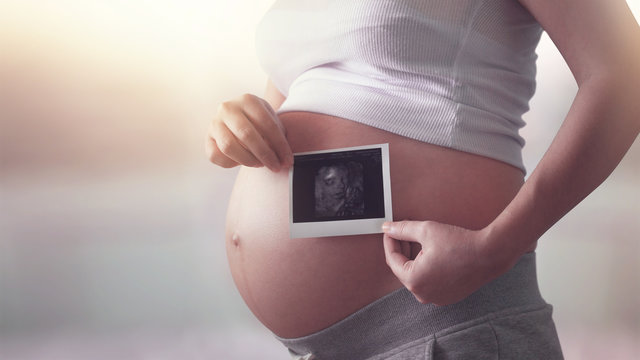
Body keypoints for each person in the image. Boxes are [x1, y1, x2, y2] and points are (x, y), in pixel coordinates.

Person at [206, 0, 640, 359]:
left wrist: (497, 248)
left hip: (444, 327)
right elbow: (294, 101)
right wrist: (239, 126)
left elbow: (626, 74)